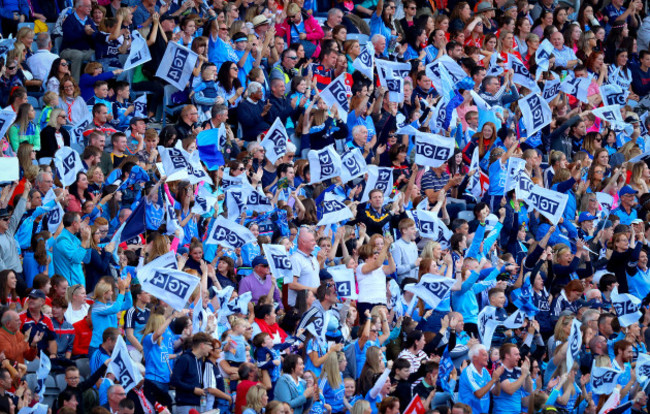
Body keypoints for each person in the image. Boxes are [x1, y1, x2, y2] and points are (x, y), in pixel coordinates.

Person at [170, 332, 215, 414]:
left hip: (198, 404)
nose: (211, 348)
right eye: (210, 345)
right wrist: (193, 389)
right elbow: (174, 381)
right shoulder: (185, 359)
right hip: (185, 405)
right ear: (202, 345)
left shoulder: (200, 360)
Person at [52, 212, 92, 287]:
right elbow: (76, 259)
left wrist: (88, 239)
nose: (81, 224)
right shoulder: (62, 241)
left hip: (78, 284)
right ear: (74, 223)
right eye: (80, 221)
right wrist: (84, 241)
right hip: (69, 286)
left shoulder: (75, 239)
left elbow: (87, 259)